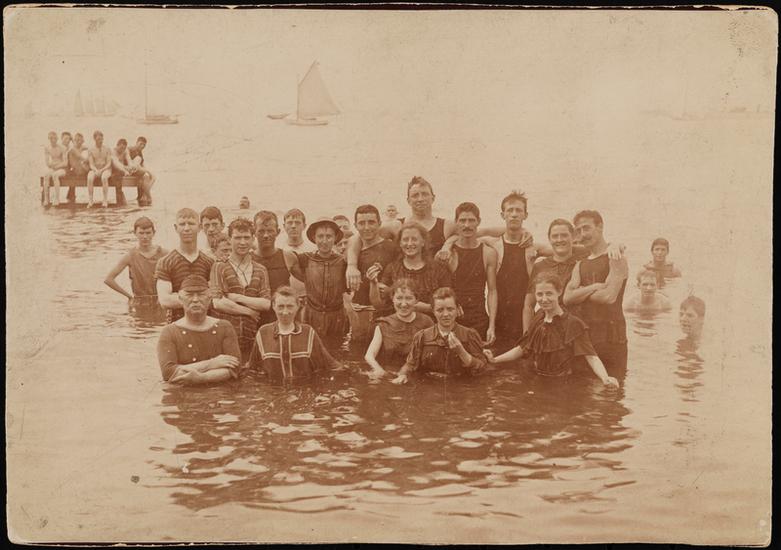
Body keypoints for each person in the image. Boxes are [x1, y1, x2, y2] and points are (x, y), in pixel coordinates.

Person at [484, 273, 619, 387]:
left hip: (561, 384)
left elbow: (591, 356)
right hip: (537, 379)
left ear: (559, 292)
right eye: (539, 294)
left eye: (549, 293)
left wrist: (605, 378)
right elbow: (522, 348)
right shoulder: (538, 318)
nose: (544, 299)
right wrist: (495, 360)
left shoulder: (572, 323)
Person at [564, 210, 629, 377]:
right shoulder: (580, 264)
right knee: (582, 387)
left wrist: (580, 292)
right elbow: (567, 298)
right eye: (578, 230)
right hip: (586, 337)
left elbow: (609, 297)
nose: (582, 234)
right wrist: (594, 287)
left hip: (612, 338)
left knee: (613, 387)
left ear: (600, 227)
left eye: (586, 228)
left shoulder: (616, 258)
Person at [245, 286, 342, 382]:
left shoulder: (308, 333)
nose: (285, 312)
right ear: (273, 306)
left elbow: (332, 366)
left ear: (298, 306)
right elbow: (252, 369)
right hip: (273, 389)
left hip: (303, 388)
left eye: (290, 306)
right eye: (281, 306)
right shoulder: (263, 333)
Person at [157, 275, 241, 385]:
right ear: (180, 299)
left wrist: (203, 378)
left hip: (221, 391)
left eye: (201, 294)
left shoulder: (224, 327)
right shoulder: (169, 332)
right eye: (189, 295)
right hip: (183, 392)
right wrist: (211, 364)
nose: (195, 299)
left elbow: (234, 367)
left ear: (209, 298)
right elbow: (169, 373)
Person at [392, 287, 487, 384]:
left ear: (457, 309)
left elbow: (482, 368)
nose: (445, 314)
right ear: (433, 311)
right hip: (429, 386)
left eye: (450, 309)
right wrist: (402, 375)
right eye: (440, 310)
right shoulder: (422, 336)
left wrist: (462, 352)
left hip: (462, 386)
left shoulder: (469, 335)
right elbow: (410, 365)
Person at [210, 218, 271, 361]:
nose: (242, 242)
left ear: (253, 238)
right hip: (224, 337)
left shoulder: (261, 269)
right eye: (237, 238)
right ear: (230, 239)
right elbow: (218, 302)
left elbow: (266, 304)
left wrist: (237, 297)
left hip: (251, 336)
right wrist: (249, 311)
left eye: (246, 237)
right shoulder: (219, 266)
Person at [367, 220, 452, 319]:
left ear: (423, 242)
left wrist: (426, 308)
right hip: (399, 324)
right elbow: (379, 305)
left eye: (414, 239)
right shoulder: (392, 268)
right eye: (405, 239)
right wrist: (373, 283)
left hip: (430, 324)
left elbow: (448, 303)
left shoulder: (438, 269)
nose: (409, 243)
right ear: (400, 243)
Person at [441, 202, 498, 344]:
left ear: (479, 222)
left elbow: (492, 291)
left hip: (478, 318)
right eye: (462, 220)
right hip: (452, 318)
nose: (467, 225)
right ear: (456, 222)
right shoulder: (448, 253)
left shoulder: (488, 253)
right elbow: (441, 290)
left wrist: (491, 326)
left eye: (471, 220)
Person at [346, 204, 399, 341]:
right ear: (355, 226)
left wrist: (390, 289)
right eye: (361, 223)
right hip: (359, 311)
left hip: (385, 311)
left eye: (371, 222)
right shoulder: (353, 250)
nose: (366, 227)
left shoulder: (392, 248)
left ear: (379, 223)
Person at [363, 279, 435, 379]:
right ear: (392, 298)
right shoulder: (383, 324)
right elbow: (369, 356)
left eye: (409, 298)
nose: (403, 304)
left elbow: (432, 355)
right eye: (399, 298)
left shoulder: (426, 322)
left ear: (416, 300)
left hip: (416, 377)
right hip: (389, 377)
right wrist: (379, 371)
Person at [292, 218, 349, 340]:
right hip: (312, 315)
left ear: (335, 238)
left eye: (329, 236)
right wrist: (309, 280)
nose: (324, 241)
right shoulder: (305, 259)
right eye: (320, 236)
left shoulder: (343, 261)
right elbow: (288, 260)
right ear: (314, 238)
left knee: (337, 346)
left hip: (337, 317)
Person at [155, 208, 216, 322]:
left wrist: (180, 297)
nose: (187, 228)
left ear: (199, 227)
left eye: (191, 224)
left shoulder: (209, 262)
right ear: (176, 228)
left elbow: (216, 296)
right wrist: (201, 298)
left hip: (205, 323)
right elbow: (164, 301)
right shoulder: (166, 262)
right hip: (176, 323)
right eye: (182, 224)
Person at [251, 210, 304, 323]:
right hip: (256, 317)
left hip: (284, 316)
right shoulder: (248, 259)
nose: (266, 235)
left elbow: (310, 282)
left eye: (270, 231)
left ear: (278, 232)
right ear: (254, 232)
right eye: (261, 231)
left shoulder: (288, 257)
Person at [104, 216, 168, 309]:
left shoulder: (164, 253)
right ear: (135, 233)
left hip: (161, 302)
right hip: (140, 303)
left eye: (148, 233)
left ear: (154, 233)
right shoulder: (130, 256)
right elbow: (109, 279)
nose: (145, 237)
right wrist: (129, 297)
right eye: (141, 233)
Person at [282, 208, 315, 303]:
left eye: (297, 223)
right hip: (286, 299)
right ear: (284, 226)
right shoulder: (279, 248)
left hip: (309, 297)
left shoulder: (313, 248)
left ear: (304, 226)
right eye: (290, 223)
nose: (293, 226)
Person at [86, 130, 113, 208]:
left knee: (104, 178)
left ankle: (105, 200)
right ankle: (90, 200)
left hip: (106, 169)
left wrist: (102, 170)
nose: (100, 141)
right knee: (89, 177)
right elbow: (91, 164)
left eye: (101, 139)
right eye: (98, 139)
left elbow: (109, 163)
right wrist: (95, 170)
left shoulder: (107, 148)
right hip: (95, 169)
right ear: (94, 139)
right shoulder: (91, 149)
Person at [42, 131, 68, 206]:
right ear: (49, 139)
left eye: (54, 138)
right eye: (51, 138)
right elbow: (47, 162)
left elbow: (65, 163)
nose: (53, 140)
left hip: (62, 169)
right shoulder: (47, 148)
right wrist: (51, 165)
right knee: (46, 175)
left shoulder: (62, 148)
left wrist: (57, 166)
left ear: (57, 139)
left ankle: (57, 199)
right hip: (53, 168)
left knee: (55, 175)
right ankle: (46, 199)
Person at [128, 137, 155, 205]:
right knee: (150, 176)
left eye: (144, 145)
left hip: (136, 171)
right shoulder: (130, 149)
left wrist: (146, 171)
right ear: (137, 142)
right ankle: (148, 197)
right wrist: (147, 171)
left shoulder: (139, 152)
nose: (142, 146)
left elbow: (142, 164)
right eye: (141, 144)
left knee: (147, 177)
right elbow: (128, 161)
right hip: (129, 170)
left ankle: (143, 196)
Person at [111, 138, 136, 206]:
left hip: (122, 169)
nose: (122, 150)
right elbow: (116, 163)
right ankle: (120, 200)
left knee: (135, 168)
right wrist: (125, 170)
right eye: (121, 148)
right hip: (113, 170)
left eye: (124, 148)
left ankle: (141, 199)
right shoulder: (113, 152)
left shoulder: (125, 151)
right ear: (117, 145)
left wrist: (131, 167)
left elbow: (129, 160)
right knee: (117, 176)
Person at [66, 132, 89, 202]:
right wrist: (87, 160)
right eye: (77, 140)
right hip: (74, 169)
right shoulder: (72, 149)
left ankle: (71, 195)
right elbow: (80, 157)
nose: (79, 142)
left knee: (86, 167)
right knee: (76, 172)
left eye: (81, 140)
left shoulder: (81, 147)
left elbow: (89, 148)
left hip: (78, 169)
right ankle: (71, 196)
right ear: (75, 140)